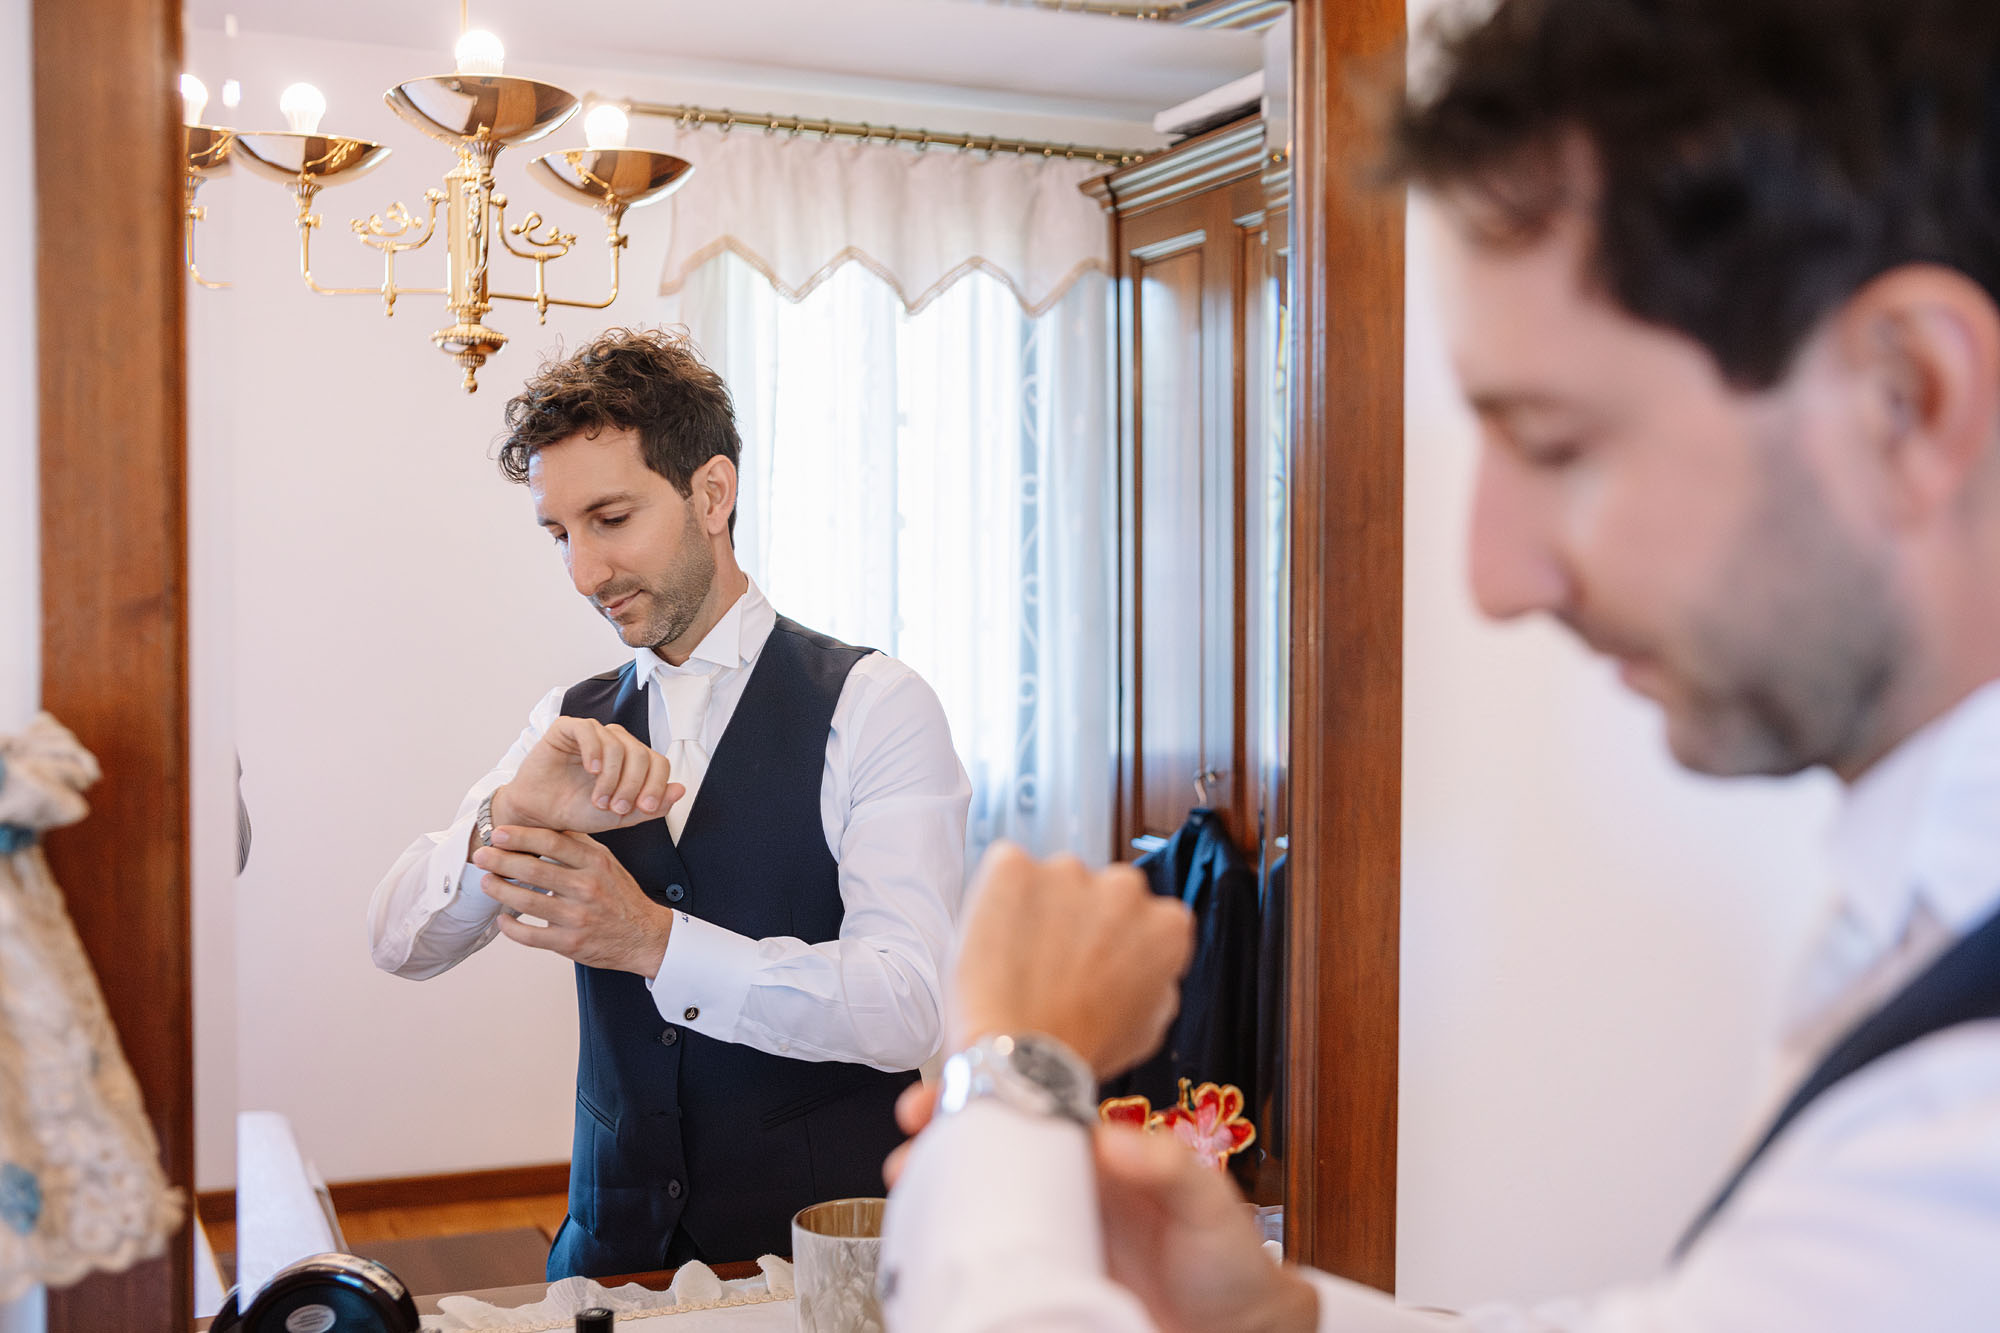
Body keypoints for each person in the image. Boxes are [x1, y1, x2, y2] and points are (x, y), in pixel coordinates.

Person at [878, 0, 2000, 1328]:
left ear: (1908, 396)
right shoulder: (1925, 890)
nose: (1493, 575)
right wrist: (1287, 1321)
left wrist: (1008, 1080)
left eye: (1561, 443)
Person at [367, 328, 971, 1279]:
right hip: (609, 1251)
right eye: (560, 534)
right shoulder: (564, 721)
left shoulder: (877, 705)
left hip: (817, 1260)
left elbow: (909, 1006)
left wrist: (652, 941)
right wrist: (507, 818)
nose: (584, 573)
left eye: (611, 518)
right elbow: (401, 943)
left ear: (712, 494)